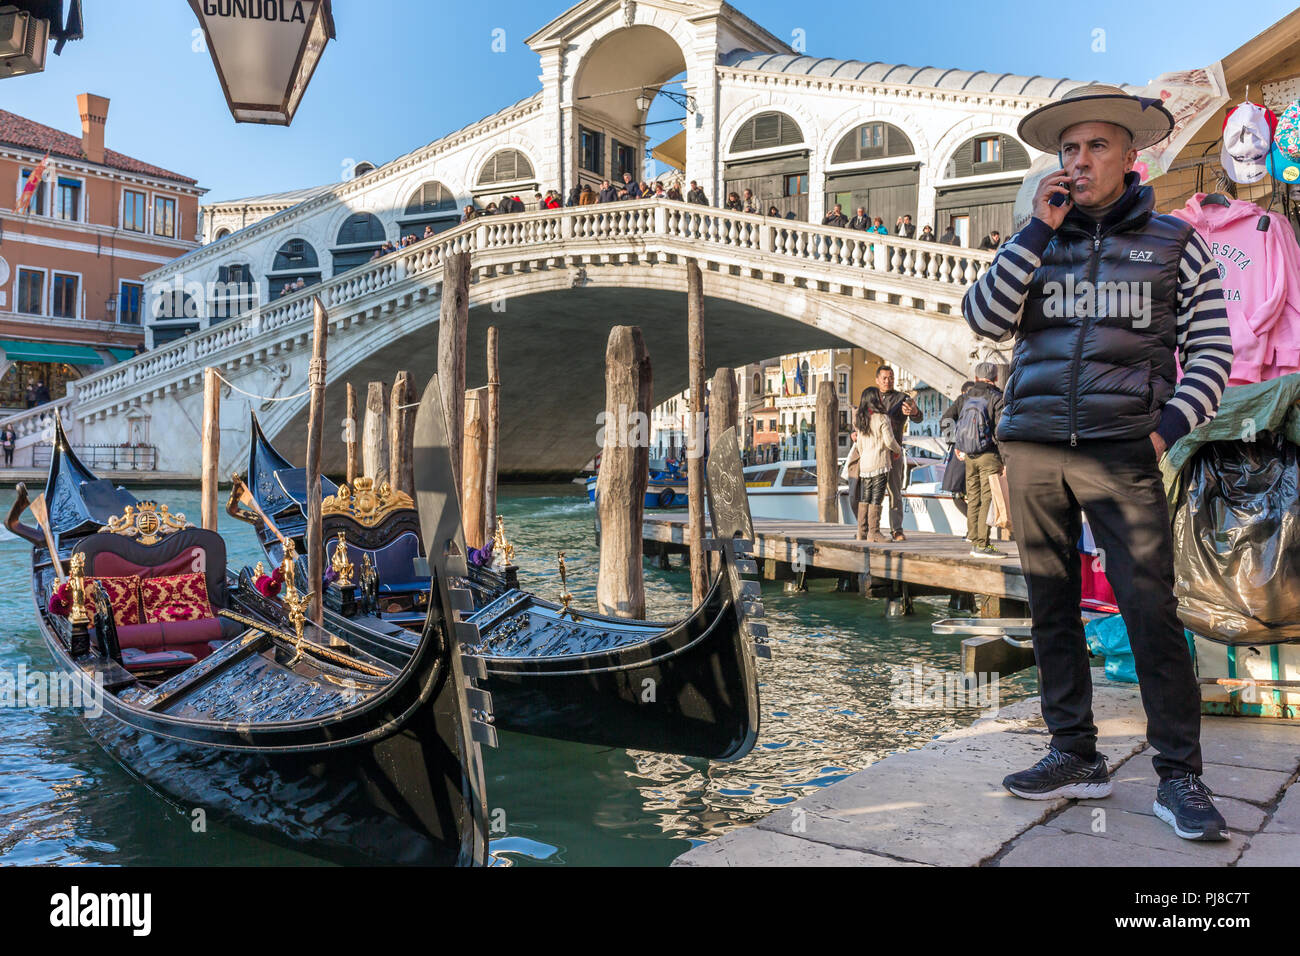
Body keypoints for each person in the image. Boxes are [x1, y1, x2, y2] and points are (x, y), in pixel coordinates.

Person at [963, 83, 1235, 840]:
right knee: (1050, 607)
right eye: (1069, 150)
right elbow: (984, 320)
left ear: (1130, 156)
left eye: (1096, 147)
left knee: (1150, 611)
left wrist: (1163, 432)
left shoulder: (1178, 242)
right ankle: (1074, 754)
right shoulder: (1034, 238)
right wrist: (1030, 233)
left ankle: (1180, 776)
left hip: (1124, 450)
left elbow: (1213, 350)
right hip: (1032, 444)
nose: (1079, 163)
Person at [940, 363, 1006, 557]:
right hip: (989, 455)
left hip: (969, 456)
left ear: (976, 378)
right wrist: (1005, 459)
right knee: (987, 498)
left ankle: (974, 540)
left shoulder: (965, 397)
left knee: (974, 497)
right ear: (995, 379)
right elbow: (1001, 430)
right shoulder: (997, 398)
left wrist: (957, 444)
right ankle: (982, 544)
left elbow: (946, 419)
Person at [870, 366, 921, 541]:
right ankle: (871, 529)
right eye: (884, 378)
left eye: (890, 377)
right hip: (873, 452)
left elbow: (918, 416)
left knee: (894, 492)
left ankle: (896, 529)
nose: (888, 380)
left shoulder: (903, 399)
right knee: (871, 492)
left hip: (894, 452)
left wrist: (913, 411)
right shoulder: (870, 398)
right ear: (877, 380)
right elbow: (861, 418)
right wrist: (855, 431)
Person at [850, 388, 902, 542]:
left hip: (865, 465)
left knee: (865, 497)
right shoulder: (882, 418)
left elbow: (859, 444)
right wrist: (898, 450)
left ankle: (862, 532)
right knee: (876, 498)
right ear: (876, 399)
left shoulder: (860, 419)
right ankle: (874, 532)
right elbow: (889, 441)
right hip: (879, 462)